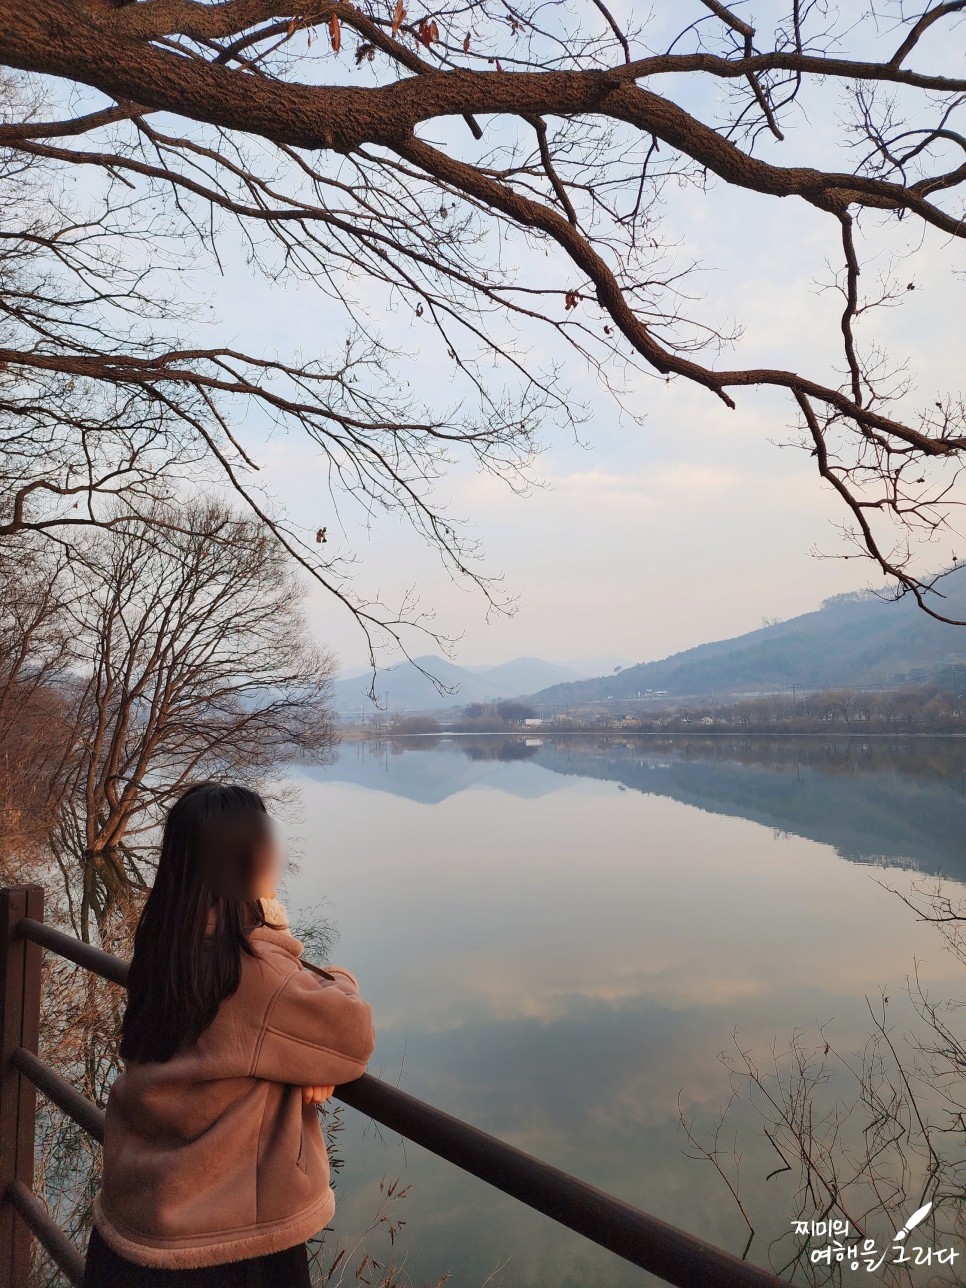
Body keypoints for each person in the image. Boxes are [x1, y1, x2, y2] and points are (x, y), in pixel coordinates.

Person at [83, 782, 376, 1287]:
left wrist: (299, 1061)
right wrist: (291, 942)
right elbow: (351, 1035)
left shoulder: (164, 947)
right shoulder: (252, 971)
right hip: (223, 1251)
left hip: (131, 1231)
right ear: (253, 860)